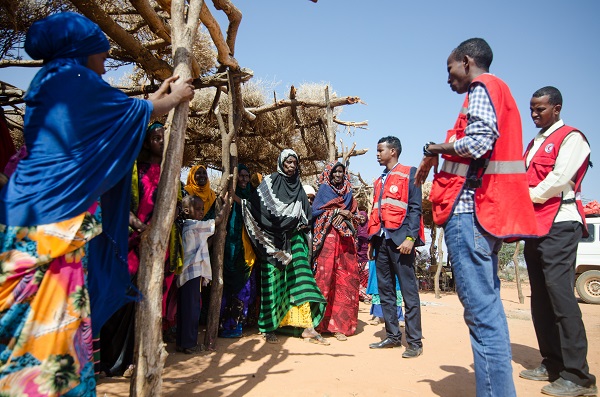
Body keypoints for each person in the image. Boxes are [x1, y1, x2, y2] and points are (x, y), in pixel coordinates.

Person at [0, 12, 194, 395]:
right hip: (50, 223)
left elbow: (117, 115)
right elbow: (127, 115)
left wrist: (155, 99)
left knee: (27, 326)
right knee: (48, 332)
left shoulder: (52, 82)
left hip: (29, 214)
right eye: (101, 56)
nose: (105, 65)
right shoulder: (74, 80)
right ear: (82, 51)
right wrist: (171, 100)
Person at [415, 38, 538, 396]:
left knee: (482, 315)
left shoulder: (482, 88)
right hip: (486, 212)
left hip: (470, 211)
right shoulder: (502, 91)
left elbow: (480, 141)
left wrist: (436, 148)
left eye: (450, 68)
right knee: (489, 308)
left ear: (466, 62)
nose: (448, 78)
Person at [520, 86, 597, 397]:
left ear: (557, 108)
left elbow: (559, 179)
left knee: (561, 296)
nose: (535, 114)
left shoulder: (572, 138)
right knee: (541, 298)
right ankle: (551, 362)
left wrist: (523, 198)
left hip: (561, 223)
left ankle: (579, 376)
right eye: (532, 109)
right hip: (534, 224)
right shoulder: (534, 143)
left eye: (541, 108)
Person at [240, 149, 328, 345]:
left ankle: (306, 327)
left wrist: (300, 223)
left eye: (294, 163)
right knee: (272, 283)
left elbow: (306, 214)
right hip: (271, 243)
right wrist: (241, 202)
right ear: (281, 163)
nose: (291, 166)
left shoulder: (298, 188)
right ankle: (268, 327)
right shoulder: (269, 183)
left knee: (301, 281)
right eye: (288, 162)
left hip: (295, 241)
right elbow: (255, 206)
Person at [367, 136, 424, 359]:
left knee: (409, 292)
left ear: (393, 151)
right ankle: (392, 336)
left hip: (401, 242)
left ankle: (414, 342)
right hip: (381, 241)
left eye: (380, 150)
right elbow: (375, 212)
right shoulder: (378, 181)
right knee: (385, 291)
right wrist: (372, 241)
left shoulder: (410, 173)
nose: (377, 154)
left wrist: (410, 238)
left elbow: (415, 208)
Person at [312, 162, 363, 341]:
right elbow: (314, 215)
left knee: (344, 281)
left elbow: (357, 218)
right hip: (327, 242)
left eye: (341, 172)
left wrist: (350, 215)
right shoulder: (323, 193)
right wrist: (335, 213)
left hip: (345, 244)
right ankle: (317, 325)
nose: (338, 175)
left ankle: (340, 326)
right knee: (324, 280)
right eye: (335, 172)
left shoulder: (349, 196)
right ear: (329, 174)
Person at [177, 195, 225, 353]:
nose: (201, 212)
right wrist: (225, 206)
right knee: (192, 309)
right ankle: (189, 344)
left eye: (202, 209)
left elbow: (204, 242)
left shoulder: (187, 226)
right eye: (197, 209)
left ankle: (182, 342)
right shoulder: (194, 226)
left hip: (187, 274)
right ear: (186, 210)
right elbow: (216, 222)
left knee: (186, 308)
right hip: (193, 272)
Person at [219, 164, 260, 338]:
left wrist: (237, 199)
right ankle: (224, 325)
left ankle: (237, 326)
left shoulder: (251, 197)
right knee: (227, 288)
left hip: (247, 250)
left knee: (245, 288)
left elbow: (255, 211)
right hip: (230, 249)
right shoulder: (227, 198)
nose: (243, 179)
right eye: (240, 176)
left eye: (246, 176)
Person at [355, 208, 371, 303]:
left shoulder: (369, 227)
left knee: (367, 277)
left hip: (367, 257)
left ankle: (367, 296)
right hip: (357, 256)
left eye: (363, 217)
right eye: (360, 217)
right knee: (358, 277)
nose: (361, 219)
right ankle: (360, 295)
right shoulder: (355, 227)